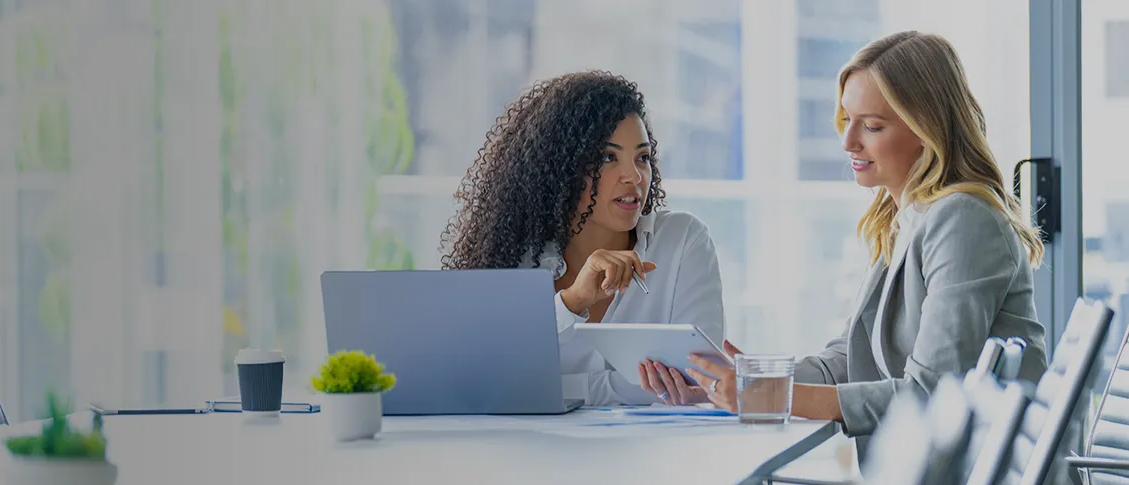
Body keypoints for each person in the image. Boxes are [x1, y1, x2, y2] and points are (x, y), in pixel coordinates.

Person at [680, 31, 1049, 459]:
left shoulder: (963, 220)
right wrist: (743, 381)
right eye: (847, 120)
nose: (848, 141)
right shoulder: (904, 217)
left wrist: (774, 397)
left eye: (872, 126)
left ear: (925, 129)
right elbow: (849, 357)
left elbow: (931, 395)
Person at [440, 70, 726, 407]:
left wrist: (555, 389)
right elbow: (482, 381)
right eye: (608, 158)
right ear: (562, 168)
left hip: (655, 454)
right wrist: (572, 302)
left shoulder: (683, 242)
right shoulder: (514, 255)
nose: (633, 175)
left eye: (642, 158)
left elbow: (703, 378)